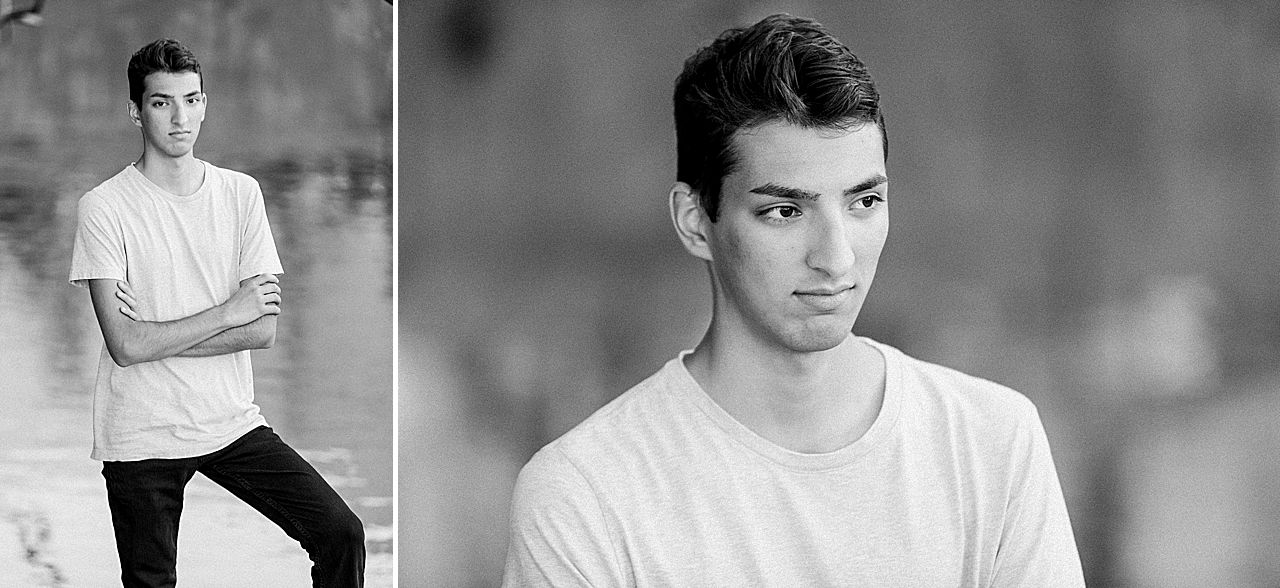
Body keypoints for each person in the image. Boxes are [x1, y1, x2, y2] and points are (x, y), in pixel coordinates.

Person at [503, 14, 1085, 587]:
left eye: (863, 203)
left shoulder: (993, 444)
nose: (836, 257)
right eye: (785, 212)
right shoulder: (583, 495)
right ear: (694, 222)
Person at [68, 39, 364, 587]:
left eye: (192, 99)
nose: (181, 118)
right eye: (162, 103)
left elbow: (265, 329)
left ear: (205, 103)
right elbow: (125, 347)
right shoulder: (103, 208)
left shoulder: (240, 194)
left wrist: (158, 333)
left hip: (230, 421)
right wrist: (229, 311)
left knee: (340, 533)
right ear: (135, 110)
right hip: (140, 432)